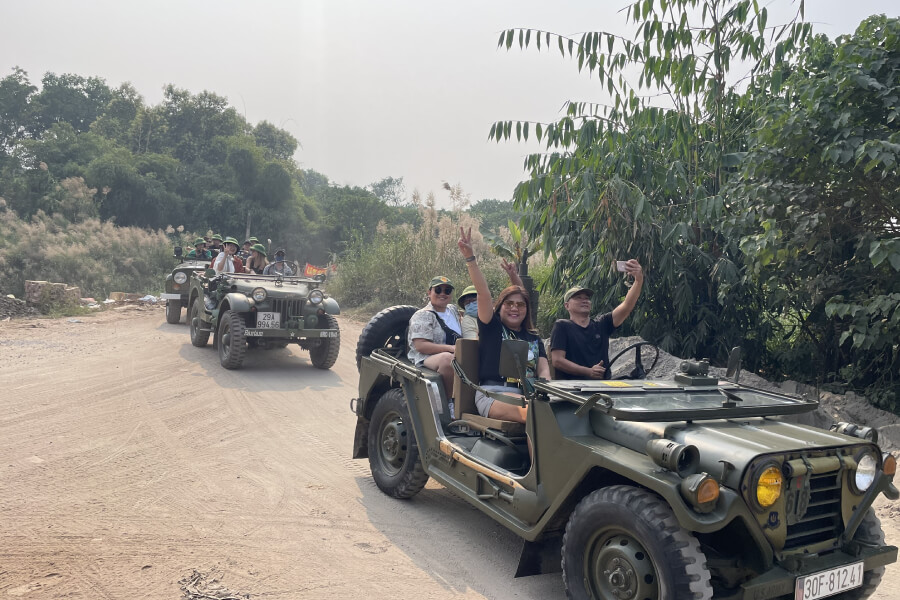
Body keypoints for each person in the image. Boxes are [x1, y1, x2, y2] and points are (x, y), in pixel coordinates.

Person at [459, 227, 550, 424]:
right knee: (535, 413)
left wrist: (546, 388)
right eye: (508, 304)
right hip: (492, 395)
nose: (514, 308)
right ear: (499, 307)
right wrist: (470, 259)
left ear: (527, 309)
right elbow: (483, 293)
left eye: (519, 305)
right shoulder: (492, 327)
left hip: (527, 395)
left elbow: (543, 371)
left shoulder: (533, 338)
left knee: (551, 411)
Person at [549, 260, 644, 380]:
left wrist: (638, 280)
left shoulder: (602, 324)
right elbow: (557, 361)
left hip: (603, 388)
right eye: (578, 298)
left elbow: (627, 306)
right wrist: (588, 371)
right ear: (567, 306)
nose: (584, 300)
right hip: (573, 390)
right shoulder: (562, 326)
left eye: (587, 298)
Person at [407, 275, 462, 397]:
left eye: (447, 291)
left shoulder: (452, 310)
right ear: (429, 292)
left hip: (457, 353)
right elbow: (420, 345)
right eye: (438, 290)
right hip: (427, 357)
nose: (442, 294)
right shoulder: (423, 315)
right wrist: (450, 348)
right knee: (448, 360)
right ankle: (450, 402)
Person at [457, 258, 524, 340]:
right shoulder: (468, 320)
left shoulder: (495, 314)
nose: (471, 304)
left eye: (474, 300)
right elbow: (472, 344)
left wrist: (514, 276)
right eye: (467, 302)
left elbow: (520, 295)